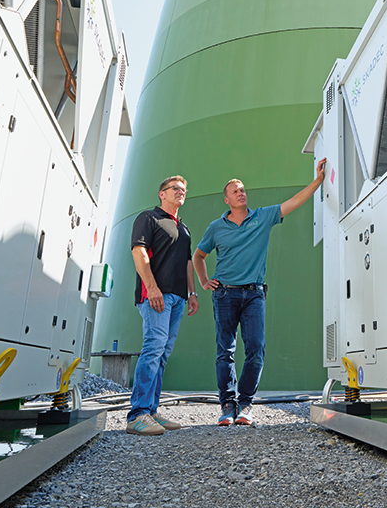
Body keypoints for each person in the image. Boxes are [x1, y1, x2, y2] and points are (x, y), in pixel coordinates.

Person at [193, 158, 326, 426]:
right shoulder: (216, 227)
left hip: (254, 295)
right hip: (225, 295)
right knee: (225, 352)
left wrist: (318, 181)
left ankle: (246, 404)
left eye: (243, 189)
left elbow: (294, 202)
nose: (241, 193)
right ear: (227, 200)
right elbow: (198, 255)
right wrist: (205, 281)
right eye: (235, 191)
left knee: (256, 349)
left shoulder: (262, 216)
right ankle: (227, 404)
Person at [126, 176, 199, 435]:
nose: (181, 192)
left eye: (184, 190)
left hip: (178, 297)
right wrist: (153, 287)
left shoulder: (184, 229)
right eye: (175, 189)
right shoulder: (149, 218)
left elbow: (188, 262)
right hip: (156, 294)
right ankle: (138, 414)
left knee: (163, 353)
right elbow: (139, 252)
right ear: (162, 193)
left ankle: (152, 411)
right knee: (153, 347)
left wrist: (192, 292)